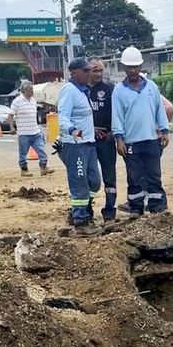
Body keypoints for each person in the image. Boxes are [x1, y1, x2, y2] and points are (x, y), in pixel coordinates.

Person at [112, 46, 170, 216]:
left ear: (141, 66)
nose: (133, 70)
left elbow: (160, 110)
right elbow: (117, 116)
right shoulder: (119, 91)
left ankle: (157, 207)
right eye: (129, 67)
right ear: (124, 68)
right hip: (131, 142)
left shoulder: (151, 87)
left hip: (151, 140)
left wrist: (165, 130)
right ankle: (136, 208)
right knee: (134, 178)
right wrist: (119, 139)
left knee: (154, 176)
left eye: (136, 66)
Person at [57, 57, 102, 235]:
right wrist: (72, 129)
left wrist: (91, 128)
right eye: (85, 70)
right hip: (74, 146)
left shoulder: (83, 90)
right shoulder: (69, 91)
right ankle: (80, 222)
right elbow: (63, 115)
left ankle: (81, 211)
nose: (89, 73)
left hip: (88, 144)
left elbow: (81, 116)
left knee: (95, 183)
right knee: (79, 184)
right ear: (74, 73)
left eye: (89, 70)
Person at [87, 57, 117, 221]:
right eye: (94, 70)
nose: (98, 74)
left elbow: (118, 112)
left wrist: (114, 132)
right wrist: (90, 130)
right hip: (87, 141)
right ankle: (87, 210)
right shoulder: (81, 90)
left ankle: (110, 212)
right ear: (87, 70)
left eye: (100, 70)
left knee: (109, 176)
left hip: (106, 140)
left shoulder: (110, 89)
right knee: (89, 178)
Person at [7, 81, 53, 177]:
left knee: (42, 151)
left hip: (35, 132)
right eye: (30, 89)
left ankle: (43, 168)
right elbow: (10, 115)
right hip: (24, 133)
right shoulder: (17, 101)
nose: (32, 90)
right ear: (24, 90)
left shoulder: (33, 100)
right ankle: (24, 170)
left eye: (32, 88)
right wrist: (12, 127)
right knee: (23, 153)